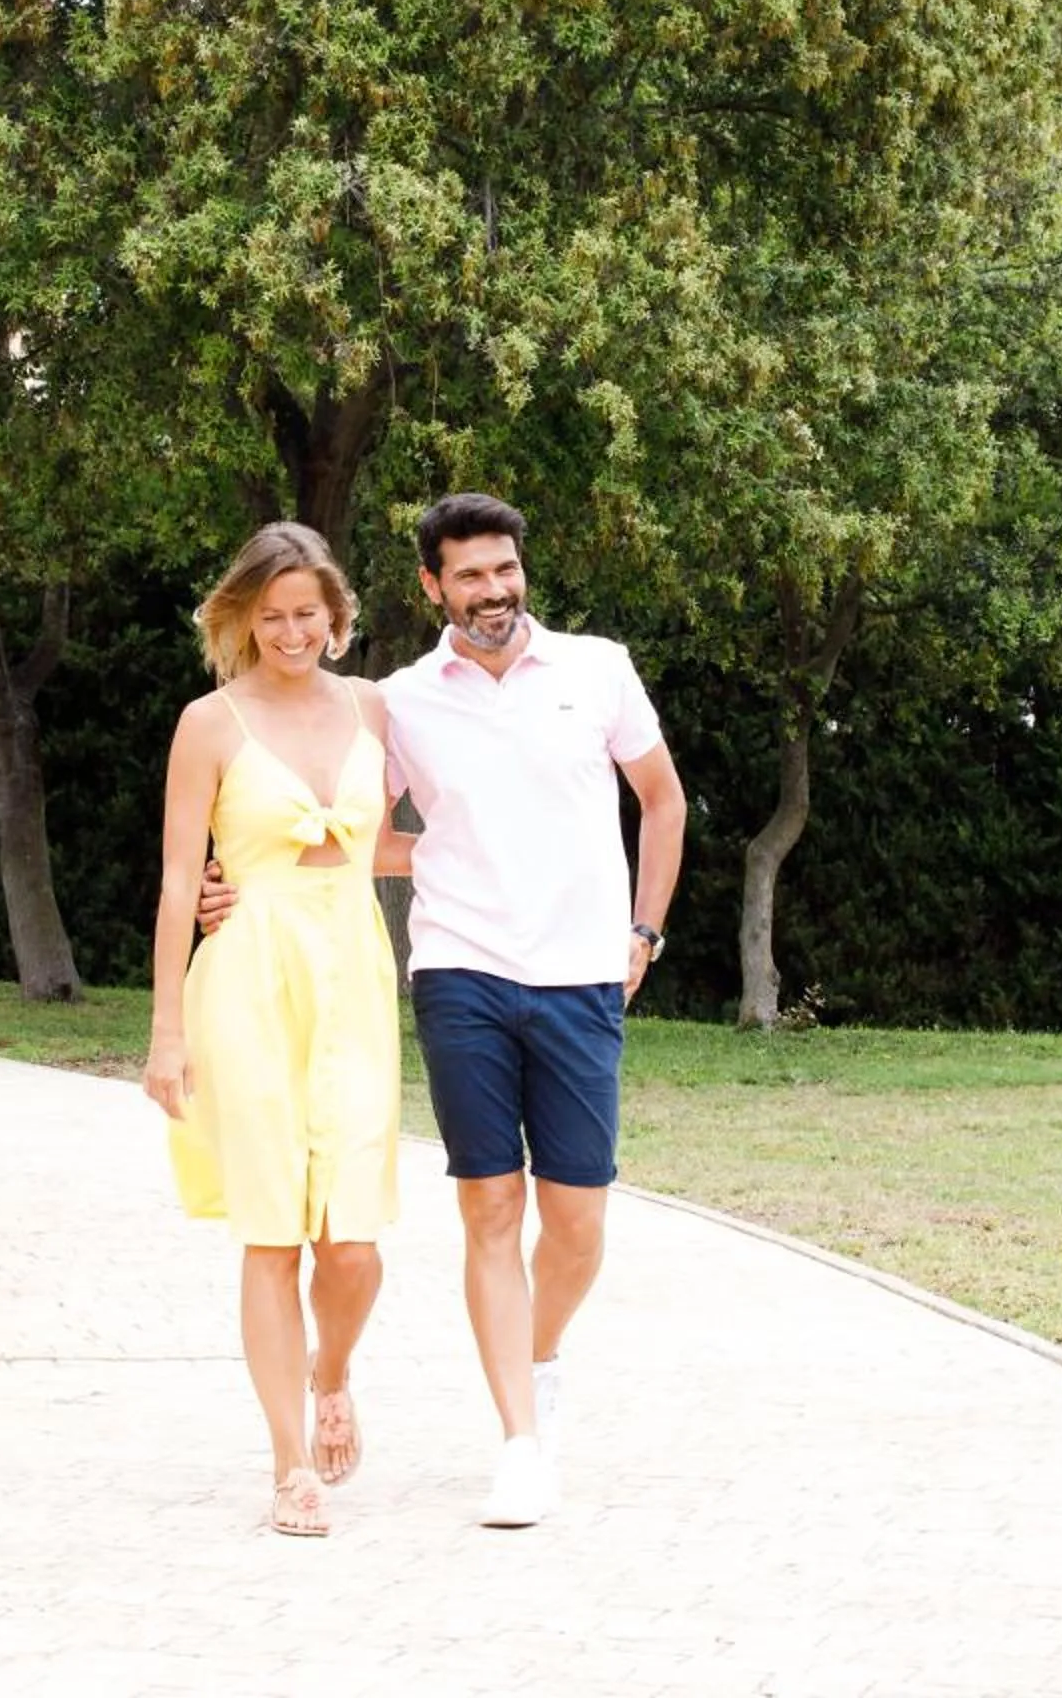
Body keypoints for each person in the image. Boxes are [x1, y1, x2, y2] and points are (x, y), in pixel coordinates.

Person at [202, 492, 686, 1529]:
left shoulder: (598, 668)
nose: (492, 589)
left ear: (522, 569)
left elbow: (664, 798)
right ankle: (519, 1440)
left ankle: (538, 1351)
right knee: (491, 1207)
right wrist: (251, 875)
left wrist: (643, 930)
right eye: (468, 574)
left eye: (503, 568)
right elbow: (352, 825)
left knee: (578, 1221)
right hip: (459, 971)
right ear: (433, 587)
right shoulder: (403, 700)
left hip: (582, 975)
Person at [143, 522, 407, 1539]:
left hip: (352, 970)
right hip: (246, 972)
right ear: (242, 619)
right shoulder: (208, 722)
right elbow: (177, 880)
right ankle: (289, 1462)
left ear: (334, 615)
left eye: (309, 611)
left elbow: (385, 847)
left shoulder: (375, 706)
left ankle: (330, 1368)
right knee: (270, 1230)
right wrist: (166, 1027)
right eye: (273, 614)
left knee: (353, 1243)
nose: (292, 630)